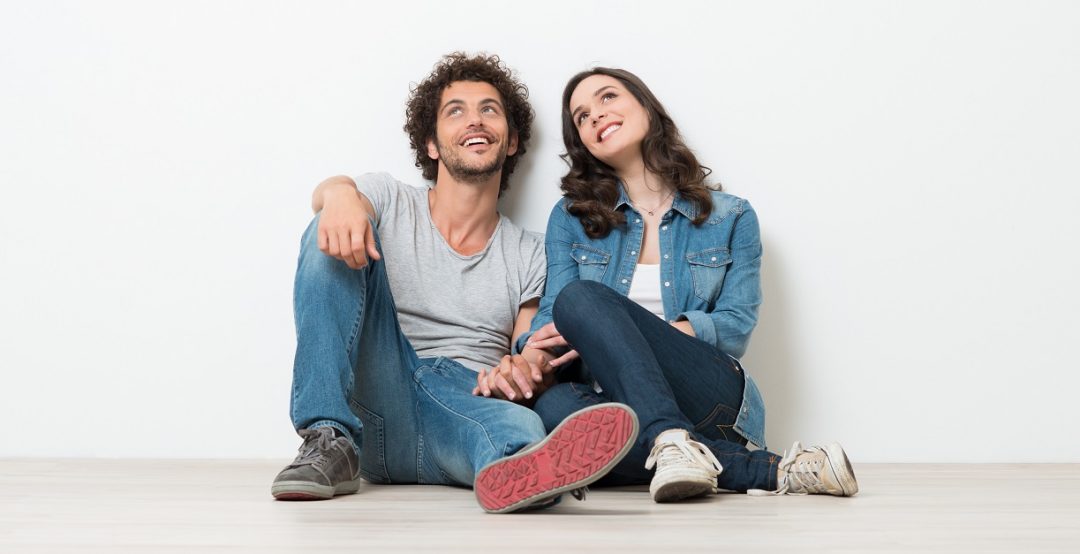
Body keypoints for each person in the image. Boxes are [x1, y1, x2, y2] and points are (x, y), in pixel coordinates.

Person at [272, 53, 638, 514]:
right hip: (377, 400)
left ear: (510, 143)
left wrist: (525, 368)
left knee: (514, 428)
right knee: (332, 231)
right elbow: (333, 199)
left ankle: (522, 468)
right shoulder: (389, 198)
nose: (475, 120)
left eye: (489, 109)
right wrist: (339, 193)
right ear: (431, 144)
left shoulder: (531, 251)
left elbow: (526, 346)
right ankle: (327, 436)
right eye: (456, 111)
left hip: (465, 411)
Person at [474, 67, 858, 502]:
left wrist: (628, 332)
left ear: (646, 107)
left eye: (607, 98)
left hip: (710, 395)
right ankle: (764, 468)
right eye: (581, 117)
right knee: (557, 409)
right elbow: (551, 322)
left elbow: (734, 326)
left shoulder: (731, 216)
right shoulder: (572, 219)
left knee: (582, 298)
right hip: (612, 404)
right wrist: (529, 356)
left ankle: (671, 435)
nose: (595, 116)